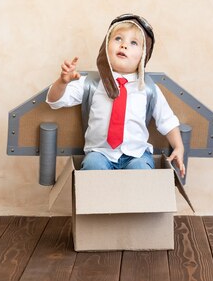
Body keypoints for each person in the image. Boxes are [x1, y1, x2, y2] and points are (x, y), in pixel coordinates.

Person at [46, 13, 186, 177]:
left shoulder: (148, 88)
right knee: (93, 166)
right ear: (105, 47)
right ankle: (97, 202)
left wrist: (179, 147)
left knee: (141, 170)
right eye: (118, 39)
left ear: (143, 56)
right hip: (100, 153)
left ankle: (136, 202)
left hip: (137, 154)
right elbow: (54, 101)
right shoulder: (91, 83)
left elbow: (167, 120)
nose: (124, 45)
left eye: (133, 43)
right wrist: (62, 82)